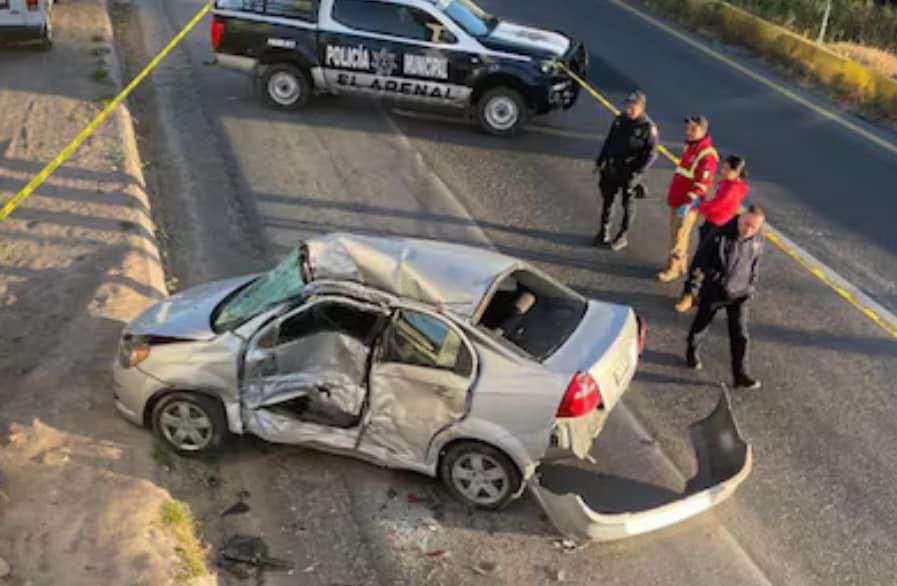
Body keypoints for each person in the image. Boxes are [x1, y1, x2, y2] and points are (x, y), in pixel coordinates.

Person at [684, 206, 766, 390]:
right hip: (716, 291)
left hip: (740, 294)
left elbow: (755, 262)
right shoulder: (719, 235)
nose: (748, 230)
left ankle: (741, 374)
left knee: (740, 336)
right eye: (746, 224)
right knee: (701, 324)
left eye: (754, 227)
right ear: (740, 217)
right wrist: (693, 288)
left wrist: (751, 285)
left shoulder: (758, 239)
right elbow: (699, 261)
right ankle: (692, 349)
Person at [675, 155, 749, 312]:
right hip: (720, 225)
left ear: (737, 172)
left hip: (715, 226)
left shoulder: (731, 188)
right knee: (712, 263)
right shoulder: (732, 184)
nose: (722, 171)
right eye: (723, 167)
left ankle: (689, 295)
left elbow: (716, 205)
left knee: (699, 261)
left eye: (727, 169)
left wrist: (697, 205)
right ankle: (700, 295)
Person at [593, 91, 658, 251]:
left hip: (630, 173)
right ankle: (604, 231)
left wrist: (637, 174)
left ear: (641, 108)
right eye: (628, 105)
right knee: (608, 201)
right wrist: (600, 161)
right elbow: (609, 141)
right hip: (612, 168)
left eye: (633, 106)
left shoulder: (648, 128)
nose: (629, 109)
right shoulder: (620, 120)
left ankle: (623, 235)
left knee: (627, 205)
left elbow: (651, 155)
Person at [658, 115, 718, 282]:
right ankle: (681, 264)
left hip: (686, 204)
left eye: (693, 129)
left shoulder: (706, 155)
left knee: (678, 236)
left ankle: (673, 269)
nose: (688, 132)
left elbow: (703, 184)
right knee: (679, 235)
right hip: (678, 200)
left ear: (703, 131)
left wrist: (688, 205)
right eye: (688, 128)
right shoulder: (692, 147)